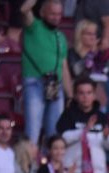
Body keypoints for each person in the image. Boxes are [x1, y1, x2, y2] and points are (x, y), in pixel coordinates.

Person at [20, 0, 71, 146]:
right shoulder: (34, 27)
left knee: (55, 133)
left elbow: (64, 67)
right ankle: (28, 167)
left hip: (56, 85)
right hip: (35, 83)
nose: (56, 17)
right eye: (52, 13)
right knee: (33, 131)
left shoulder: (61, 37)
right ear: (42, 13)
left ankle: (51, 168)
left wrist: (70, 95)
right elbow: (24, 9)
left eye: (59, 14)